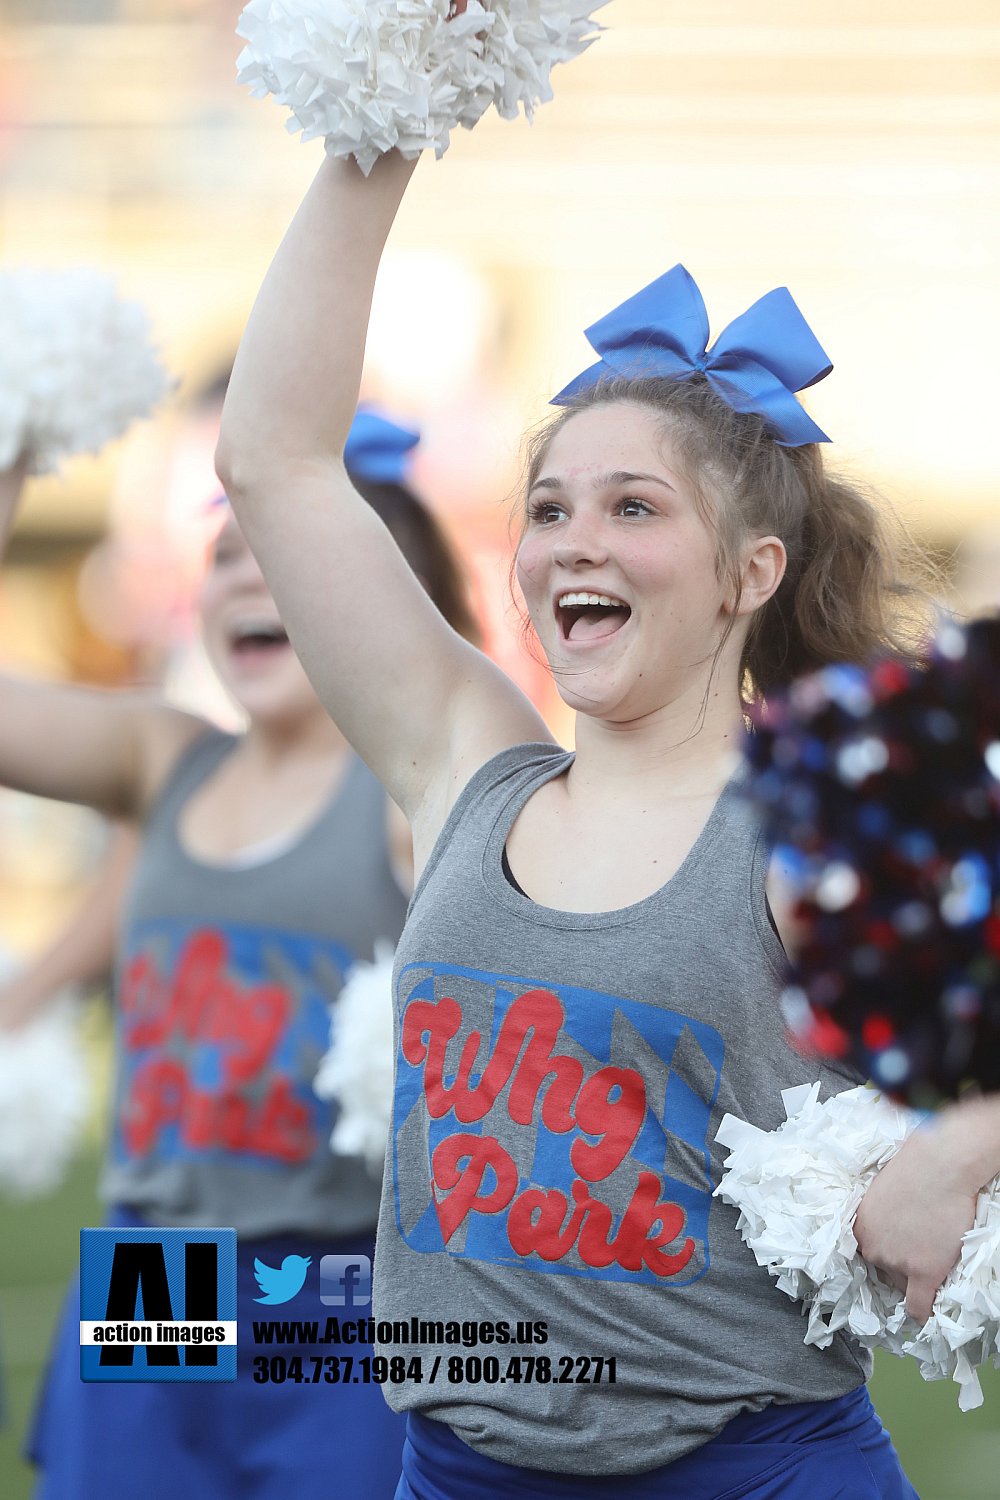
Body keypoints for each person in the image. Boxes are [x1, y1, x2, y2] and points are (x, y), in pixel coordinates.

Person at [214, 119, 1000, 1496]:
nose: (575, 540)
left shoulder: (818, 821)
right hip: (454, 1470)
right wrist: (380, 120)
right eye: (551, 507)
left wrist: (958, 1157)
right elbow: (276, 461)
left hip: (747, 1469)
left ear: (750, 572)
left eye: (634, 509)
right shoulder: (466, 759)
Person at [0, 413, 478, 1500]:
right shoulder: (166, 756)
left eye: (283, 559)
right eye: (222, 559)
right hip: (154, 1267)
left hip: (346, 1278)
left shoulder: (420, 796)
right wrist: (16, 455)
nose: (243, 582)